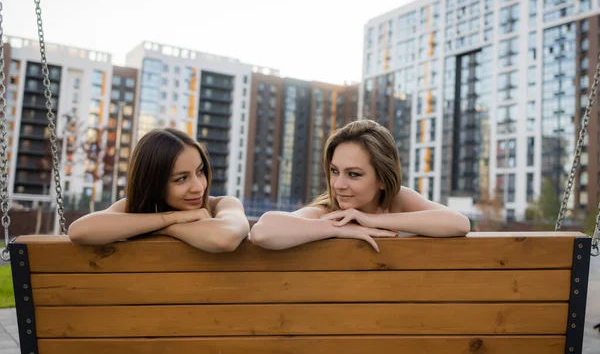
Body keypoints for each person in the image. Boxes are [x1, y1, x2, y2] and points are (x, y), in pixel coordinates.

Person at [250, 120, 470, 252]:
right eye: (335, 171)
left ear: (383, 178)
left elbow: (459, 223)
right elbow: (262, 232)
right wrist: (343, 229)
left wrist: (371, 220)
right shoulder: (329, 212)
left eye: (353, 174)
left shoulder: (399, 200)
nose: (338, 184)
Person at [68, 128, 249, 253]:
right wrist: (171, 218)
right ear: (154, 183)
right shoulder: (137, 207)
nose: (199, 187)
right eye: (181, 179)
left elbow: (225, 237)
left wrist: (163, 228)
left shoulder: (222, 205)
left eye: (200, 171)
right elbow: (79, 231)